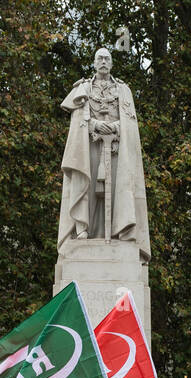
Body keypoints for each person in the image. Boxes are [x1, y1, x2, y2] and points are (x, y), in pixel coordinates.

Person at [58, 47, 150, 255]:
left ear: (112, 63)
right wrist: (95, 125)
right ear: (93, 62)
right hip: (90, 143)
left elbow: (130, 123)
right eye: (99, 58)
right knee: (86, 183)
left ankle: (119, 232)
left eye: (107, 58)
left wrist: (116, 126)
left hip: (117, 147)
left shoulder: (123, 90)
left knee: (118, 188)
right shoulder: (83, 88)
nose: (103, 61)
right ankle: (83, 229)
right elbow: (78, 120)